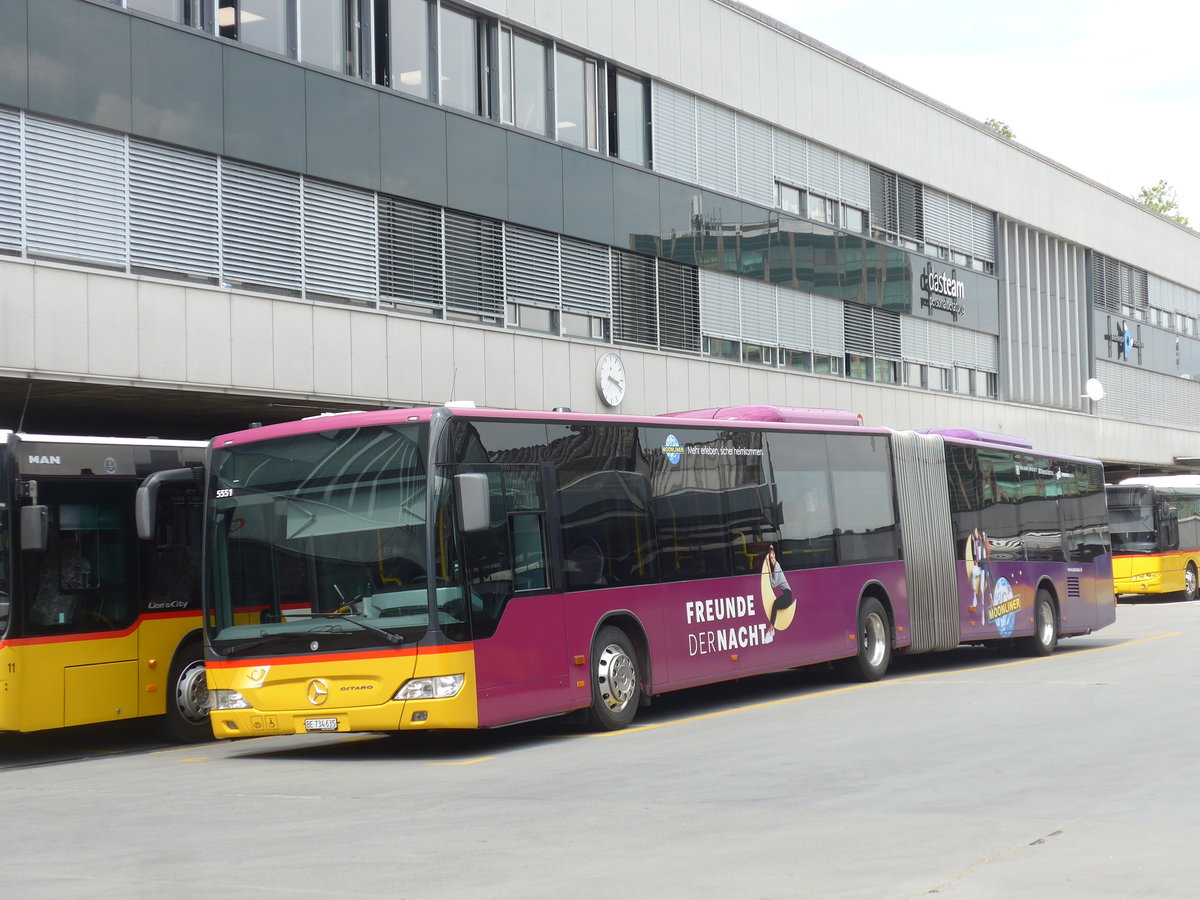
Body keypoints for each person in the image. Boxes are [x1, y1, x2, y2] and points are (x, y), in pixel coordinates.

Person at [763, 544, 794, 641]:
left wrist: (768, 569)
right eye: (770, 558)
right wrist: (771, 548)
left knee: (775, 605)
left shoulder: (776, 567)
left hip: (788, 595)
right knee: (775, 605)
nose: (772, 560)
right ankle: (771, 629)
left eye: (773, 558)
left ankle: (771, 628)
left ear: (775, 557)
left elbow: (773, 584)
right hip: (786, 594)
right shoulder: (776, 566)